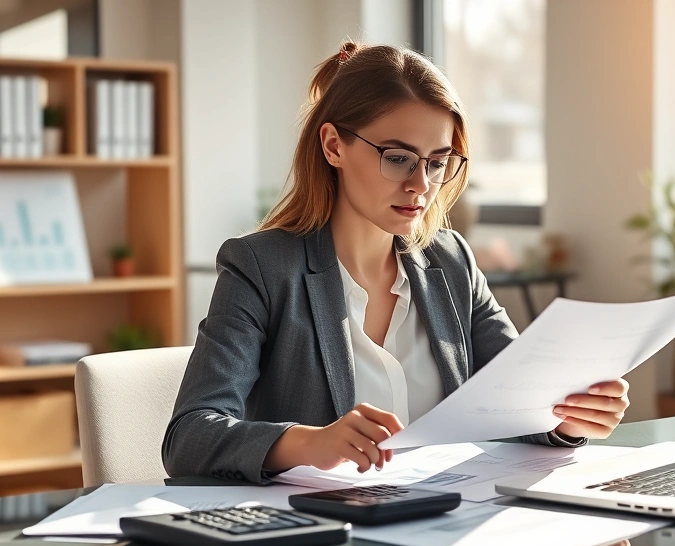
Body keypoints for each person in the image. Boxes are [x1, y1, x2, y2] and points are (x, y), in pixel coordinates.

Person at [163, 41, 630, 484]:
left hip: (448, 533)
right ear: (333, 146)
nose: (421, 185)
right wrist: (309, 442)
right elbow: (189, 436)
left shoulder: (452, 263)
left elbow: (518, 402)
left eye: (436, 162)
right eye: (399, 158)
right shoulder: (261, 268)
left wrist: (572, 418)